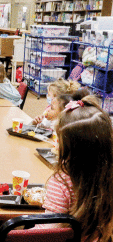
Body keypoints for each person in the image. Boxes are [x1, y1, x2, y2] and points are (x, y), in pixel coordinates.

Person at [39, 96, 113, 241]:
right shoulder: (108, 177)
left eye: (58, 139)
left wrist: (20, 228)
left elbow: (49, 232)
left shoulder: (61, 182)